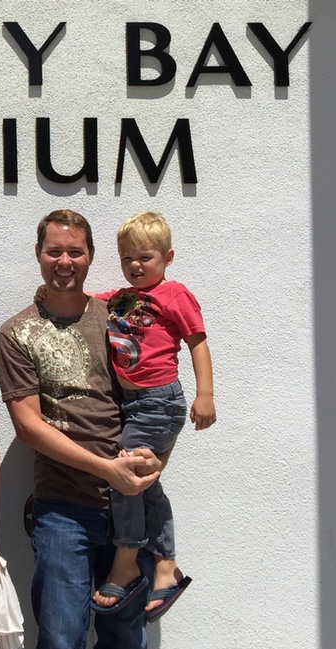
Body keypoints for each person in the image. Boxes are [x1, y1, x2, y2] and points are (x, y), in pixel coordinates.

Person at [0, 210, 163, 649]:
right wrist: (106, 469)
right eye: (54, 251)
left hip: (131, 509)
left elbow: (155, 391)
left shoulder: (119, 317)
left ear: (91, 256)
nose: (65, 262)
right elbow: (29, 427)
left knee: (123, 642)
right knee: (61, 645)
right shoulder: (17, 334)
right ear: (38, 254)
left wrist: (153, 458)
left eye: (76, 252)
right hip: (63, 508)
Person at [89, 211, 216, 618]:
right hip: (132, 405)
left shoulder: (175, 294)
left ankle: (126, 563)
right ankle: (166, 567)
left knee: (124, 475)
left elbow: (197, 343)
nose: (135, 266)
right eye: (127, 258)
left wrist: (205, 395)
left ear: (168, 257)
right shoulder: (121, 299)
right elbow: (88, 304)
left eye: (144, 257)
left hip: (159, 401)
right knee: (145, 483)